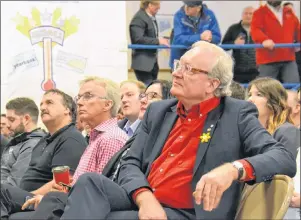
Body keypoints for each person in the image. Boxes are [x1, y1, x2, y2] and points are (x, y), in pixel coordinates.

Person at [59, 41, 295, 220]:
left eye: (189, 69)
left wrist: (233, 170)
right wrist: (145, 198)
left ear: (212, 84)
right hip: (143, 202)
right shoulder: (159, 111)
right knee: (90, 182)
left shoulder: (237, 114)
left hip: (187, 213)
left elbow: (283, 158)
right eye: (178, 66)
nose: (175, 74)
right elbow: (130, 163)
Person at [19, 80, 174, 220]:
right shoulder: (95, 138)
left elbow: (98, 189)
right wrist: (62, 190)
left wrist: (58, 195)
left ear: (107, 105)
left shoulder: (110, 138)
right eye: (78, 97)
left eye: (87, 96)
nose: (79, 102)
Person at [1, 89, 87, 219]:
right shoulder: (44, 140)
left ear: (67, 110)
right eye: (41, 104)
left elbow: (62, 185)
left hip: (44, 201)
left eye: (49, 103)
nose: (43, 107)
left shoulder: (71, 138)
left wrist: (26, 196)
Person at [247, 77, 300, 158]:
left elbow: (287, 167)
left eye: (259, 95)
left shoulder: (287, 131)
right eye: (250, 95)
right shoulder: (249, 131)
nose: (250, 99)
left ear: (274, 101)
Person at [251, 0, 300, 83]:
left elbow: (297, 29)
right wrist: (264, 40)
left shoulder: (289, 11)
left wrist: (298, 42)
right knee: (266, 89)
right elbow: (255, 30)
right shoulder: (259, 12)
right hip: (268, 58)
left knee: (294, 86)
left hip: (288, 57)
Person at [1, 97, 46, 187]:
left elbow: (13, 185)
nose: (8, 125)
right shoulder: (18, 141)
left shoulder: (33, 145)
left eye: (12, 120)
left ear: (26, 119)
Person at [170, 1, 221, 69]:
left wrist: (210, 38)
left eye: (190, 6)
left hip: (201, 60)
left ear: (198, 8)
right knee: (179, 78)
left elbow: (217, 37)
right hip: (181, 57)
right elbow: (179, 38)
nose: (186, 8)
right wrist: (200, 37)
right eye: (185, 4)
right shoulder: (179, 15)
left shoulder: (210, 15)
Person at [129, 0, 169, 86]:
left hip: (151, 64)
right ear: (150, 5)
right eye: (157, 4)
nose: (159, 7)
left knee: (152, 89)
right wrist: (158, 41)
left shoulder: (149, 18)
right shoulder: (139, 18)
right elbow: (138, 39)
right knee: (149, 90)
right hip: (143, 65)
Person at [222, 6, 258, 83]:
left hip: (256, 71)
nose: (248, 16)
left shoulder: (260, 29)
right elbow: (224, 46)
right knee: (238, 93)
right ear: (242, 15)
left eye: (251, 14)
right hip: (238, 71)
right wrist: (234, 43)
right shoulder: (234, 28)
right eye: (246, 13)